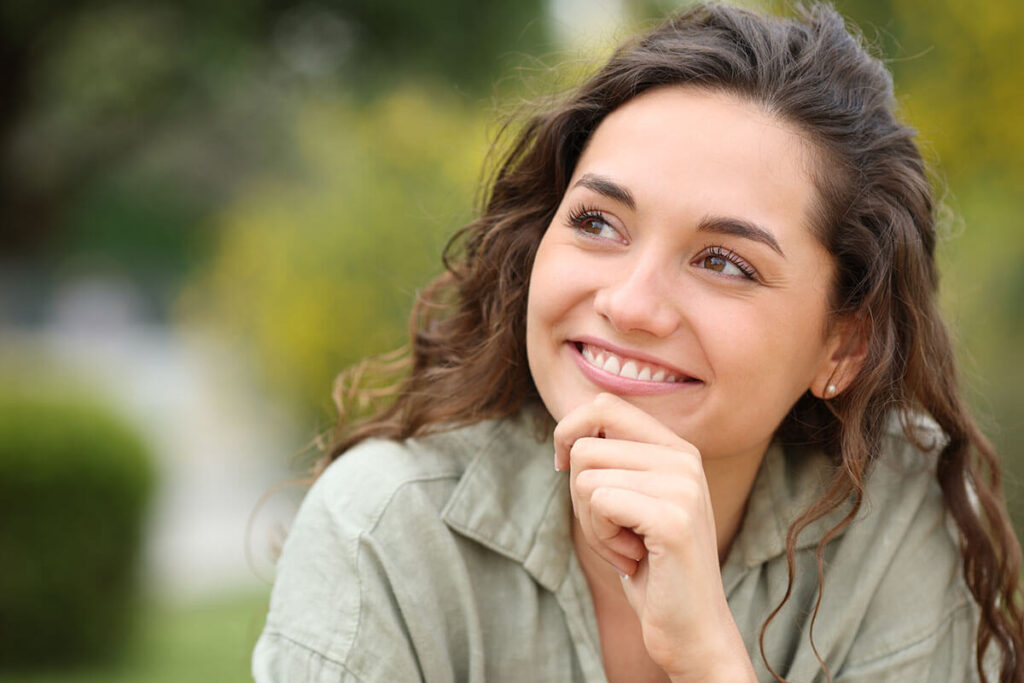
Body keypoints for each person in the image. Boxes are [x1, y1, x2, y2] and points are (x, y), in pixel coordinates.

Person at [252, 3, 1024, 681]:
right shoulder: (383, 533)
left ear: (844, 347)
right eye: (597, 222)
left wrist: (708, 659)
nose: (628, 303)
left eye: (724, 261)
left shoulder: (892, 522)